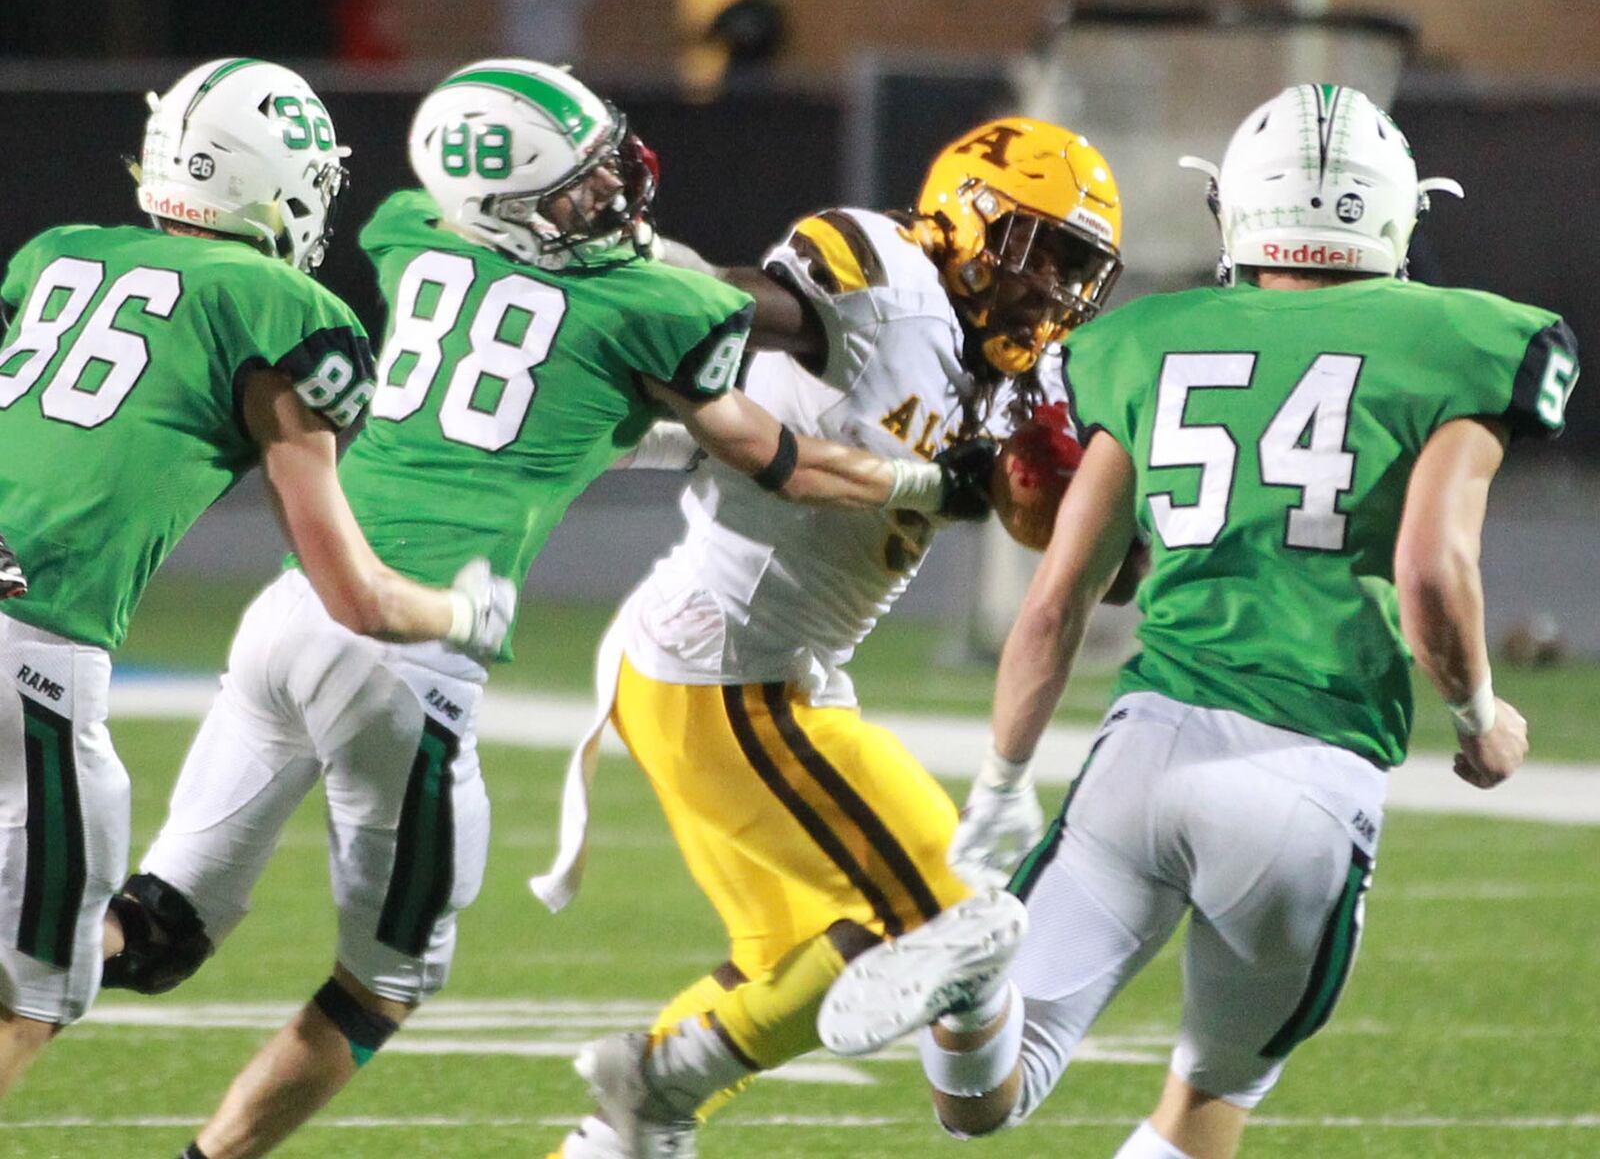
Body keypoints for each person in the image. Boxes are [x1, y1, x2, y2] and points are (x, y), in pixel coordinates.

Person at [114, 58, 996, 1159]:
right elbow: (790, 464)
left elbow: (494, 284)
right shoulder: (649, 306)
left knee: (150, 931)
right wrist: (931, 483)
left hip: (291, 615)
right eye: (576, 186)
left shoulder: (406, 233)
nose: (613, 191)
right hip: (410, 656)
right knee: (384, 984)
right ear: (513, 202)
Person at [817, 84, 1581, 1159]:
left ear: (1236, 209)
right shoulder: (1472, 337)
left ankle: (976, 998)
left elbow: (1054, 604)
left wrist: (997, 788)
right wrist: (1477, 719)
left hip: (1147, 750)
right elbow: (1429, 568)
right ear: (1401, 208)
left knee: (983, 1097)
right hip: (1309, 779)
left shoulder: (1145, 340)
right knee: (1204, 1106)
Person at [536, 116, 1128, 1158]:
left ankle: (647, 1102)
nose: (1055, 292)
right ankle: (661, 1076)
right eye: (1046, 255)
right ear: (968, 215)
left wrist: (1077, 499)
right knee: (961, 918)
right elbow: (734, 305)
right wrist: (649, 294)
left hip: (770, 678)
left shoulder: (1018, 377)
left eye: (1081, 271)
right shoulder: (883, 278)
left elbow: (1109, 566)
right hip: (726, 674)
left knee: (823, 955)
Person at [0, 57, 513, 1102]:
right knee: (30, 997)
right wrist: (467, 608)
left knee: (137, 940)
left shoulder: (56, 257)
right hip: (33, 652)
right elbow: (357, 598)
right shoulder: (281, 306)